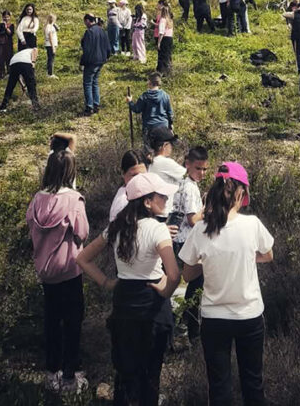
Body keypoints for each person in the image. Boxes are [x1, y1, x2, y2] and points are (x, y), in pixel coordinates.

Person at [76, 172, 180, 405]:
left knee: (125, 370)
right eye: (161, 196)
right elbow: (174, 275)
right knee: (151, 373)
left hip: (124, 302)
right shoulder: (158, 229)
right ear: (147, 202)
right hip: (152, 304)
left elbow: (82, 258)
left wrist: (106, 282)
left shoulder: (116, 228)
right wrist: (165, 290)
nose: (166, 199)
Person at [179, 162, 274, 405]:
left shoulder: (201, 229)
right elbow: (268, 254)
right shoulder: (252, 225)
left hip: (214, 319)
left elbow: (187, 274)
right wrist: (243, 256)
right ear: (241, 193)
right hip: (249, 315)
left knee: (219, 388)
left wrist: (210, 260)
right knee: (253, 384)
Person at [27, 133, 89, 394]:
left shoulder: (37, 199)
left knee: (51, 322)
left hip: (46, 272)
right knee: (72, 323)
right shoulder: (73, 200)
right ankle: (69, 377)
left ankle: (51, 373)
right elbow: (82, 233)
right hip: (69, 270)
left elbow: (31, 228)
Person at [170, 147, 209, 345]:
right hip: (186, 242)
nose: (202, 173)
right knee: (193, 287)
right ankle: (190, 331)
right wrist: (207, 209)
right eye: (198, 168)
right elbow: (193, 219)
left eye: (204, 169)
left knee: (183, 288)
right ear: (188, 165)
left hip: (178, 241)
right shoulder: (191, 187)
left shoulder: (182, 182)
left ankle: (181, 329)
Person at [147, 126, 186, 219]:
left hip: (154, 212)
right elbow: (188, 175)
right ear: (165, 146)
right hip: (164, 213)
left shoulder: (153, 161)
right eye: (171, 144)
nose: (172, 147)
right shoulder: (164, 162)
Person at [127, 71, 174, 146]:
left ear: (150, 82)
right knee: (163, 148)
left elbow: (137, 109)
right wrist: (170, 125)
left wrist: (130, 102)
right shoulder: (165, 95)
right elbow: (170, 113)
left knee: (149, 149)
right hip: (163, 126)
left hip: (149, 127)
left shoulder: (145, 96)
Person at [79, 13, 112, 116]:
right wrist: (106, 57)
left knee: (88, 83)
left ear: (88, 21)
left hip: (91, 61)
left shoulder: (89, 32)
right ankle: (96, 104)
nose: (85, 24)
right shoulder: (102, 30)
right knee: (95, 82)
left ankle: (89, 107)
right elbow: (108, 46)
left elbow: (87, 49)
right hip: (101, 60)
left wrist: (82, 62)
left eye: (85, 22)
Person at [109, 149, 151, 223]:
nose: (139, 179)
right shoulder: (123, 202)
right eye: (134, 175)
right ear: (123, 173)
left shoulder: (137, 194)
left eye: (143, 175)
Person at [0, 45, 40, 112]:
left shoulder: (21, 53)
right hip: (25, 62)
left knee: (10, 86)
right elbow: (35, 50)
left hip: (13, 63)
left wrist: (23, 85)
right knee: (31, 85)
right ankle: (36, 106)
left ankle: (3, 107)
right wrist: (33, 63)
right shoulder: (31, 50)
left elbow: (17, 76)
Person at [0, 11, 15, 79]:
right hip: (0, 44)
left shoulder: (11, 25)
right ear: (2, 17)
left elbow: (10, 33)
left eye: (7, 17)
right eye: (4, 17)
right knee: (0, 59)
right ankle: (1, 74)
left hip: (8, 44)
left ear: (10, 17)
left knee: (9, 58)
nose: (6, 18)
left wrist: (6, 27)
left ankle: (10, 73)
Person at [156, 5, 174, 76]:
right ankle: (168, 70)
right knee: (168, 54)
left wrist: (159, 42)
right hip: (170, 38)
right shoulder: (170, 20)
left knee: (162, 55)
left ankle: (161, 71)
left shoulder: (163, 20)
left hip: (164, 38)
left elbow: (161, 32)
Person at [44, 13, 59, 78]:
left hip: (50, 44)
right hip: (50, 45)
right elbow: (50, 37)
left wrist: (54, 24)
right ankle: (50, 74)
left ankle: (49, 73)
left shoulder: (50, 25)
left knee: (50, 59)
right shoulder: (49, 26)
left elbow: (58, 29)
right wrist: (53, 47)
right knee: (51, 59)